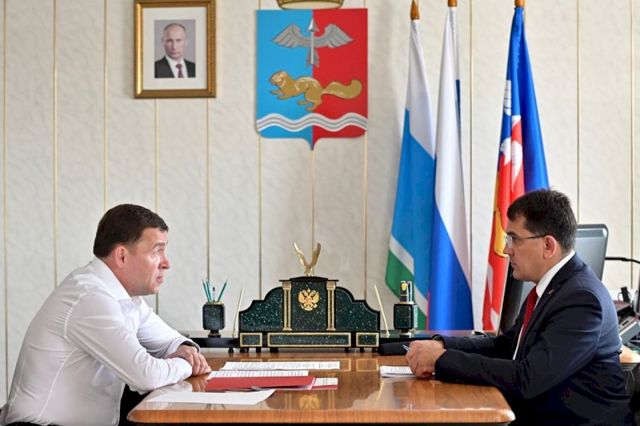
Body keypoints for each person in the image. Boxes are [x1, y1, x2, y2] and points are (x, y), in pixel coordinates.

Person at [407, 189, 634, 425]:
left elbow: (529, 378)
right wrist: (442, 345)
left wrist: (442, 359)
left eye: (514, 239)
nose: (507, 250)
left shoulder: (581, 300)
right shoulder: (552, 288)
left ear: (548, 245)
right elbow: (506, 345)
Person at [1, 204, 211, 426]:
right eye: (156, 251)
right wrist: (187, 364)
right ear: (122, 256)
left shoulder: (126, 298)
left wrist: (186, 350)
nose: (166, 263)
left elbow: (170, 339)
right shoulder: (89, 296)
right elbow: (146, 375)